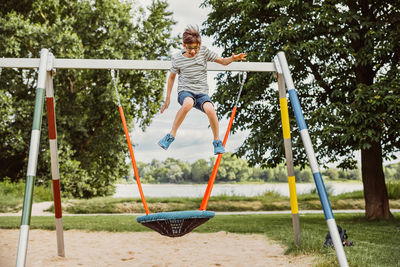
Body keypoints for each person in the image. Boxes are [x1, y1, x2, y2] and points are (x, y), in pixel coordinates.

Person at [158, 25, 246, 155]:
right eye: (190, 48)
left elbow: (222, 61)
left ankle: (217, 141)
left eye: (196, 48)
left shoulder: (204, 52)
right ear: (184, 45)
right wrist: (167, 99)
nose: (193, 51)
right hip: (185, 91)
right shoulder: (177, 58)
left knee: (210, 109)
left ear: (200, 45)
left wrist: (233, 59)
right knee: (188, 103)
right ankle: (171, 135)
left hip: (201, 93)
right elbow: (171, 78)